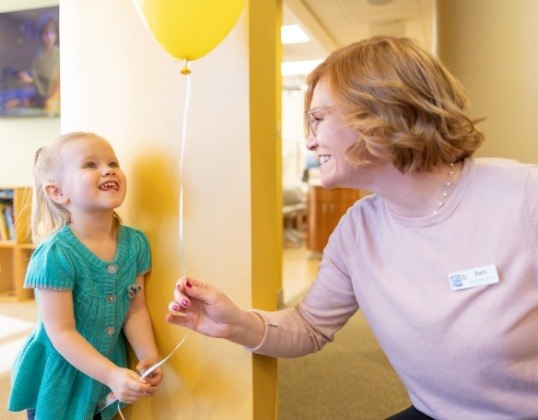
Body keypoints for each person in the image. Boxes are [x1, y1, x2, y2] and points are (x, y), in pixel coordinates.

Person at [165, 35, 538, 419]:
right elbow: (310, 326)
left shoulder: (524, 197)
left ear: (381, 111)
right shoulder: (357, 230)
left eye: (318, 120)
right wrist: (237, 324)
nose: (310, 143)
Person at [8, 132, 163, 419]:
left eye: (112, 163)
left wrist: (147, 356)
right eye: (90, 165)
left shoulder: (136, 244)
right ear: (57, 192)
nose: (108, 169)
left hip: (107, 369)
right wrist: (113, 374)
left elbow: (135, 308)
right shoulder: (56, 254)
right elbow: (61, 332)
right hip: (60, 374)